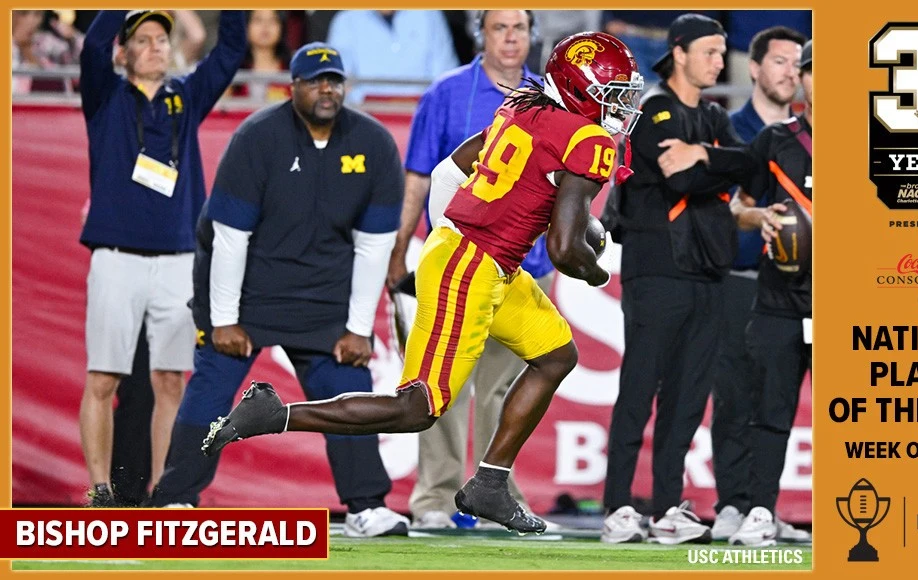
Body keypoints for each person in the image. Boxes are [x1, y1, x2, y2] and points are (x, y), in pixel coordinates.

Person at [201, 31, 645, 536]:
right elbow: (565, 250)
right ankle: (274, 413)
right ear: (579, 88)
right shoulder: (587, 140)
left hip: (482, 260)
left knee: (556, 355)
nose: (621, 107)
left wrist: (450, 234)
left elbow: (447, 173)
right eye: (614, 94)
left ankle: (490, 484)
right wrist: (595, 269)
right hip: (474, 264)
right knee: (417, 408)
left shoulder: (523, 108)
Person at [149, 42, 409, 538]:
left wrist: (358, 328)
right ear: (293, 88)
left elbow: (374, 246)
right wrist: (224, 319)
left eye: (334, 80)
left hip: (323, 298)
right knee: (210, 390)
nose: (326, 89)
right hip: (249, 293)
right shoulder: (257, 137)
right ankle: (175, 499)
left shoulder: (374, 144)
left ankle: (366, 507)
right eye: (315, 81)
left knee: (348, 392)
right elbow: (229, 237)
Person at [391, 9, 555, 530]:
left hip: (525, 267)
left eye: (519, 28)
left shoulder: (552, 96)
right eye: (499, 28)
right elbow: (420, 176)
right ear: (480, 34)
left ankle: (495, 496)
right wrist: (401, 249)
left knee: (504, 389)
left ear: (532, 36)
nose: (510, 38)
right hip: (457, 265)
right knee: (438, 386)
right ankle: (435, 497)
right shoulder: (446, 93)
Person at [78, 9, 245, 507]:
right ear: (123, 52)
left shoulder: (185, 97)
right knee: (103, 377)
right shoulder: (105, 95)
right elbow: (92, 47)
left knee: (171, 379)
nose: (155, 46)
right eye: (143, 39)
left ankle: (166, 493)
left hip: (177, 258)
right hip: (116, 257)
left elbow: (229, 51)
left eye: (162, 39)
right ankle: (100, 490)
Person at [599, 13, 752, 544]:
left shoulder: (714, 117)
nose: (719, 62)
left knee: (688, 398)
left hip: (708, 271)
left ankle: (667, 506)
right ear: (679, 53)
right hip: (657, 268)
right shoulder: (652, 111)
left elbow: (752, 166)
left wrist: (706, 153)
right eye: (709, 51)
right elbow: (681, 177)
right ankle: (618, 505)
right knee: (640, 388)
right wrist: (718, 168)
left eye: (722, 52)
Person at [710, 24, 808, 543]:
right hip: (761, 288)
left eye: (799, 63)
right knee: (750, 403)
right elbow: (730, 206)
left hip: (834, 295)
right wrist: (759, 219)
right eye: (784, 62)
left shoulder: (870, 142)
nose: (793, 73)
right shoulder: (757, 135)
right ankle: (745, 506)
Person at [326, 10, 458, 104]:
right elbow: (341, 85)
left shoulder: (430, 16)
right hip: (365, 121)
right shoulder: (345, 21)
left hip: (423, 119)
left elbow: (447, 83)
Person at [229, 10, 292, 102]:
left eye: (272, 20)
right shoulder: (232, 68)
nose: (265, 26)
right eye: (258, 20)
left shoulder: (292, 69)